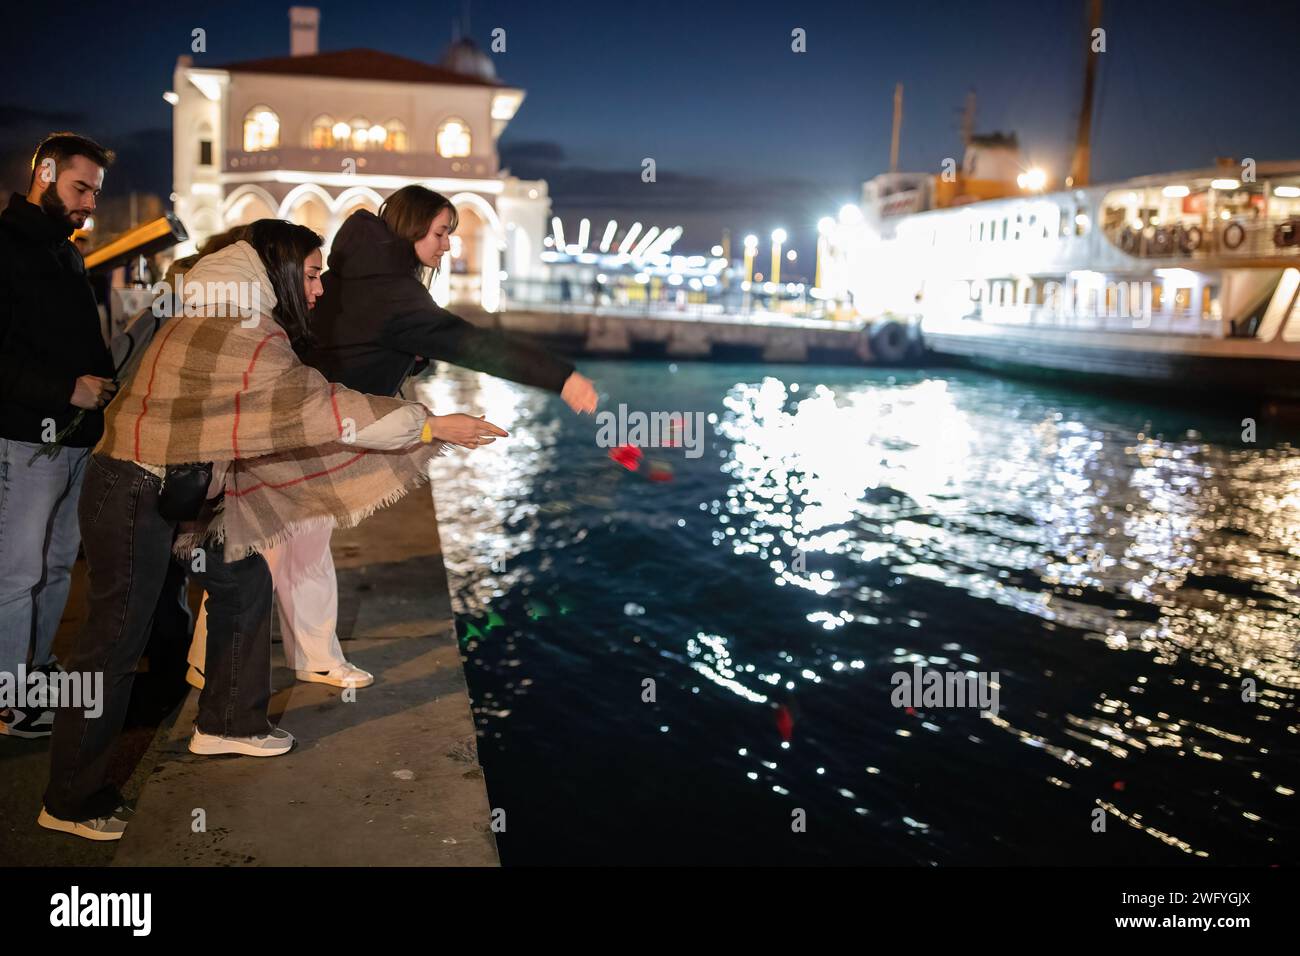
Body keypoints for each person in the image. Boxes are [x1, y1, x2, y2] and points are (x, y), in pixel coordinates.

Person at [40, 219, 507, 841]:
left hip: (175, 482)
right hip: (135, 485)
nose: (319, 289)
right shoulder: (244, 331)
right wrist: (429, 426)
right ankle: (70, 800)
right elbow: (320, 409)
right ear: (278, 270)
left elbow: (282, 410)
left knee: (241, 581)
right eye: (312, 275)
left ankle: (228, 723)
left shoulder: (227, 307)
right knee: (113, 641)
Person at [186, 187, 597, 690]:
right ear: (412, 230)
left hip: (312, 424)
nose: (447, 246)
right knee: (262, 546)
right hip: (307, 430)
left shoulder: (358, 271)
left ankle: (310, 655)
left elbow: (358, 337)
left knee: (299, 544)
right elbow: (472, 343)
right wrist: (561, 377)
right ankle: (212, 663)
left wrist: (407, 359)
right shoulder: (393, 290)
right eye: (441, 233)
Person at [0, 133, 116, 738]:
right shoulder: (7, 244)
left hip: (75, 441)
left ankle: (35, 677)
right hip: (24, 440)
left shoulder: (65, 251)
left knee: (53, 569)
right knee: (16, 575)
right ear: (45, 172)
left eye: (95, 193)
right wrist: (65, 389)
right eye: (80, 188)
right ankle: (8, 697)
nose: (90, 204)